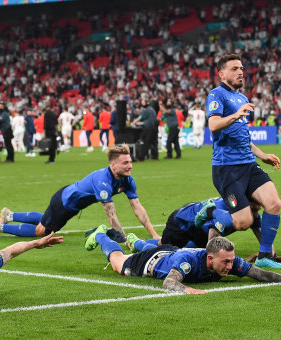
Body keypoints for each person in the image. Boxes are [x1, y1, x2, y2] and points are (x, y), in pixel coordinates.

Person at [0, 144, 161, 239]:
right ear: (112, 165)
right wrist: (123, 238)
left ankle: (9, 215)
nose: (130, 166)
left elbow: (137, 207)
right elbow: (111, 215)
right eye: (125, 163)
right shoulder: (103, 181)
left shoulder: (127, 180)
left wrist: (154, 234)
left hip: (69, 202)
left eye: (130, 162)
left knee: (46, 219)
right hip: (64, 204)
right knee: (42, 232)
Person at [205, 53, 281, 267]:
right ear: (222, 74)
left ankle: (265, 256)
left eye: (241, 68)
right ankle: (212, 213)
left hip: (249, 164)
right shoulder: (216, 95)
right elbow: (213, 125)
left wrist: (262, 155)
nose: (240, 72)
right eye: (234, 68)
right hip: (227, 169)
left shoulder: (242, 98)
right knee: (243, 221)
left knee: (274, 204)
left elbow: (242, 137)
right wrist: (236, 114)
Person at [85, 229, 281, 294]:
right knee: (118, 262)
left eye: (231, 262)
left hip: (170, 252)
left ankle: (136, 241)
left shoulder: (228, 260)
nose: (231, 267)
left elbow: (259, 273)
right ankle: (100, 235)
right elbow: (168, 282)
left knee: (164, 251)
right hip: (151, 261)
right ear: (210, 258)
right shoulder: (187, 262)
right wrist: (188, 289)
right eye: (226, 263)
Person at [134, 198, 262, 251]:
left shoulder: (251, 212)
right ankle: (135, 242)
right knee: (165, 251)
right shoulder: (227, 209)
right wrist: (212, 260)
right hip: (182, 223)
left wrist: (266, 254)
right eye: (256, 205)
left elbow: (262, 235)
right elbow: (214, 234)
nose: (259, 208)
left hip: (200, 230)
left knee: (192, 249)